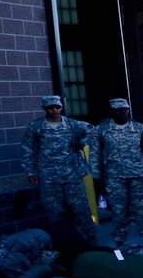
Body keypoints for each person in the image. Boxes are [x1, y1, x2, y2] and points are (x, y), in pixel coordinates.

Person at [20, 95, 94, 243]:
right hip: (49, 177)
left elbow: (93, 131)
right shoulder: (36, 126)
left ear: (61, 107)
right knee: (55, 214)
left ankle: (90, 242)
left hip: (72, 175)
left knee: (81, 210)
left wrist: (80, 143)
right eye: (50, 107)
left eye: (57, 107)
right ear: (44, 108)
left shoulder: (72, 124)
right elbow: (27, 149)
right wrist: (30, 171)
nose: (54, 110)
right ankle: (64, 243)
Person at [92, 98, 143, 248]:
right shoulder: (101, 130)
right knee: (118, 211)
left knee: (142, 211)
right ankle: (119, 245)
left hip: (139, 176)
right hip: (115, 177)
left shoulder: (140, 128)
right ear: (112, 112)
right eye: (119, 110)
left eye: (125, 109)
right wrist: (96, 177)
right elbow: (95, 154)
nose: (123, 112)